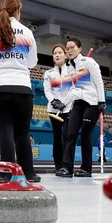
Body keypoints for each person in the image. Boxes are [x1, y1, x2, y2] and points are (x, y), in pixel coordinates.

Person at [0, 0, 40, 182]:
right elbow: (32, 62)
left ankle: (6, 173)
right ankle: (28, 173)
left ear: (0, 11)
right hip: (22, 88)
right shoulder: (27, 32)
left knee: (5, 130)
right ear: (18, 12)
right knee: (23, 133)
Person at [56, 38, 105, 178]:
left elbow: (99, 82)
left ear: (80, 49)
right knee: (70, 134)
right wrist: (64, 103)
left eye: (72, 47)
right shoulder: (69, 67)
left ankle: (86, 169)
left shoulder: (89, 62)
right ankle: (67, 168)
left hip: (92, 103)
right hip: (78, 103)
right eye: (67, 48)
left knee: (85, 135)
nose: (69, 50)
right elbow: (74, 88)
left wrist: (101, 101)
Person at [43, 44, 74, 173]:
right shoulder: (48, 73)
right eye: (55, 53)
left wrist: (64, 103)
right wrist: (54, 102)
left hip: (68, 109)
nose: (56, 55)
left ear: (65, 55)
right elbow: (47, 90)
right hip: (53, 110)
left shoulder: (72, 71)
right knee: (57, 137)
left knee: (68, 136)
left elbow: (74, 89)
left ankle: (67, 165)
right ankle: (58, 165)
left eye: (59, 52)